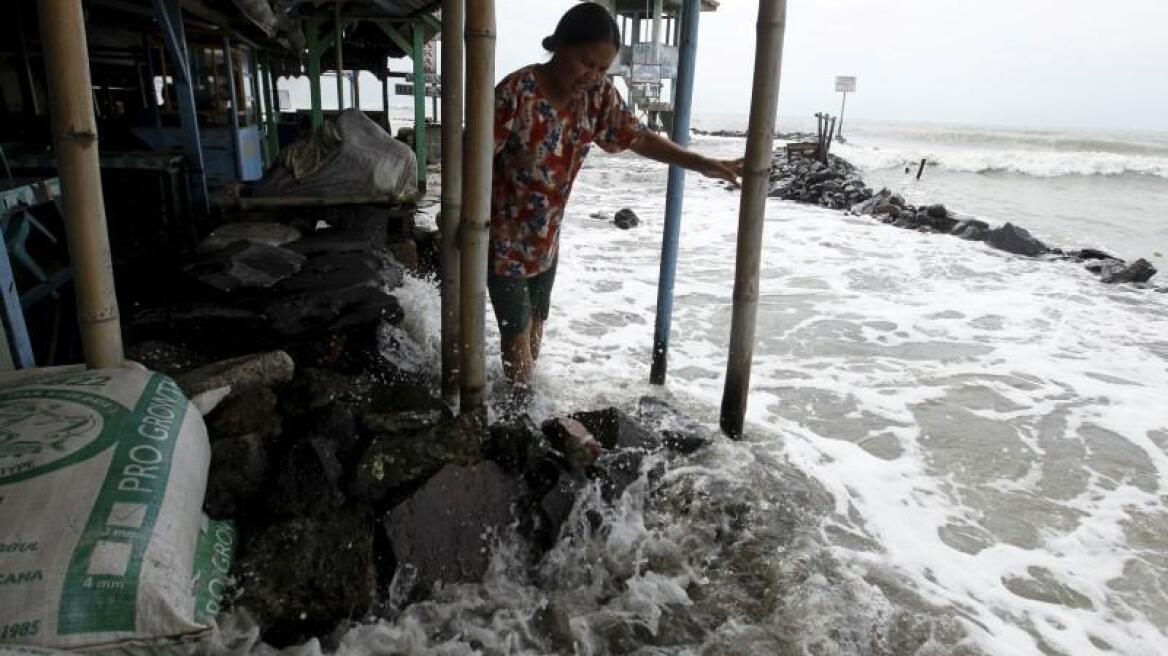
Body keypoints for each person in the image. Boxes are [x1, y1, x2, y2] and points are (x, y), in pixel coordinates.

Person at [489, 3, 742, 388]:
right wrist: (455, 219)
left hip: (546, 239)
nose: (592, 76)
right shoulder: (515, 93)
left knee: (537, 322)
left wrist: (698, 161)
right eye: (586, 62)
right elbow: (469, 157)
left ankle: (524, 416)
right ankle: (520, 416)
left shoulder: (597, 96)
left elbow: (636, 137)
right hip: (500, 238)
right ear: (559, 45)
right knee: (516, 334)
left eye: (602, 69)